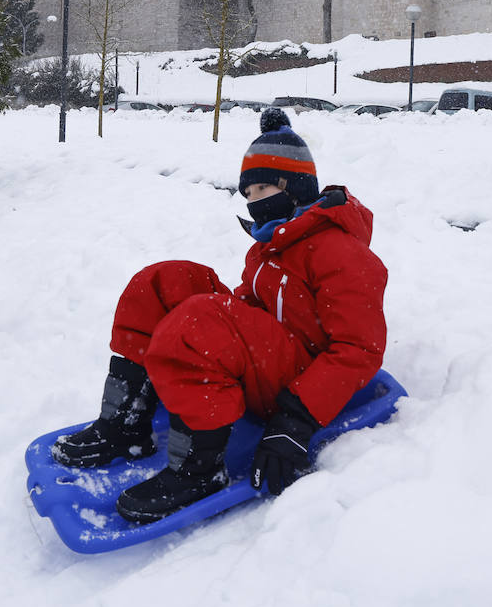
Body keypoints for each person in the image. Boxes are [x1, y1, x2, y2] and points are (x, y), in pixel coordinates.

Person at [51, 108, 389, 523]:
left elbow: (360, 349)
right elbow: (254, 303)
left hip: (301, 380)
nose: (252, 201)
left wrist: (294, 420)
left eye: (261, 188)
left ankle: (200, 469)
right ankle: (127, 425)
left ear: (293, 187)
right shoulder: (275, 243)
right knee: (162, 282)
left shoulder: (341, 252)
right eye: (247, 193)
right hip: (267, 360)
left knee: (199, 321)